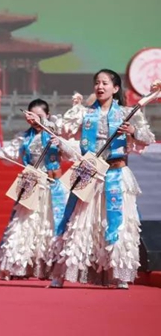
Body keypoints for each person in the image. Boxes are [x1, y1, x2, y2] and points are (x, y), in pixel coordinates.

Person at [36, 71, 157, 289]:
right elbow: (62, 128)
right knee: (78, 220)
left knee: (117, 222)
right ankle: (62, 273)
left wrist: (132, 130)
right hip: (88, 171)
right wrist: (41, 121)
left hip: (115, 173)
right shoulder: (84, 113)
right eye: (97, 83)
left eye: (105, 83)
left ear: (115, 88)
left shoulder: (127, 113)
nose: (100, 86)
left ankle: (119, 274)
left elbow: (147, 138)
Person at [0, 98, 67, 280]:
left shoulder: (56, 133)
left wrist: (59, 141)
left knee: (52, 226)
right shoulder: (24, 137)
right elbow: (7, 154)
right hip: (31, 183)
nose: (33, 119)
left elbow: (70, 151)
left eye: (38, 116)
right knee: (22, 225)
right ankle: (19, 267)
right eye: (30, 115)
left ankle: (51, 269)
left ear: (47, 116)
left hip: (53, 186)